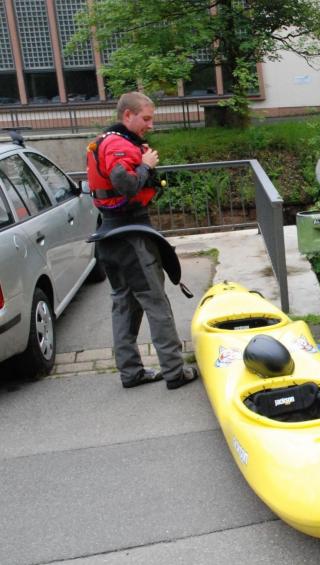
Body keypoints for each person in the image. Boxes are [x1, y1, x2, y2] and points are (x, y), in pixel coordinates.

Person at [86, 91, 198, 390]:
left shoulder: (106, 142)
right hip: (131, 237)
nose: (150, 125)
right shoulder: (118, 145)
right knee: (155, 303)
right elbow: (125, 184)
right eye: (146, 118)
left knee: (124, 304)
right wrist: (146, 165)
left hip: (109, 236)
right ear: (128, 115)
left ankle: (131, 372)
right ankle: (175, 371)